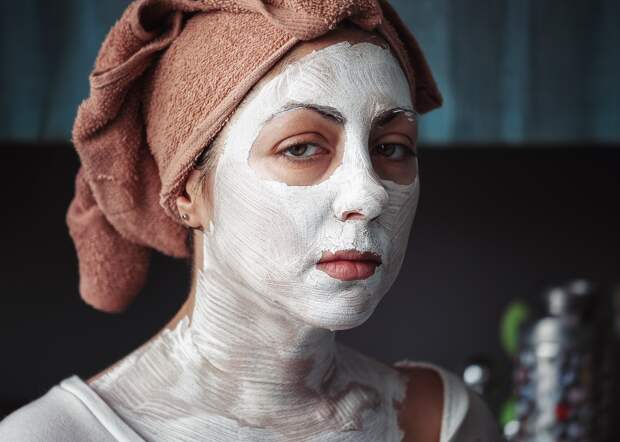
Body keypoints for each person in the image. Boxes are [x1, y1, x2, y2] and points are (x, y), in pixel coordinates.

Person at [0, 0, 502, 440]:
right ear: (187, 193)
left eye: (391, 148)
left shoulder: (440, 422)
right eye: (301, 148)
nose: (368, 195)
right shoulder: (51, 437)